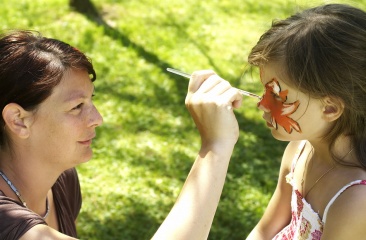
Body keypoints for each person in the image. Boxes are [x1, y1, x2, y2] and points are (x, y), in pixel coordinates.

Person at [0, 30, 242, 239]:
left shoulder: (62, 179)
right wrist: (215, 145)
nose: (97, 119)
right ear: (19, 120)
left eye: (90, 100)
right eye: (76, 107)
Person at [243, 3, 366, 240]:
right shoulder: (299, 149)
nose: (262, 103)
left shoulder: (355, 201)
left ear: (330, 108)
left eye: (277, 95)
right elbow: (264, 230)